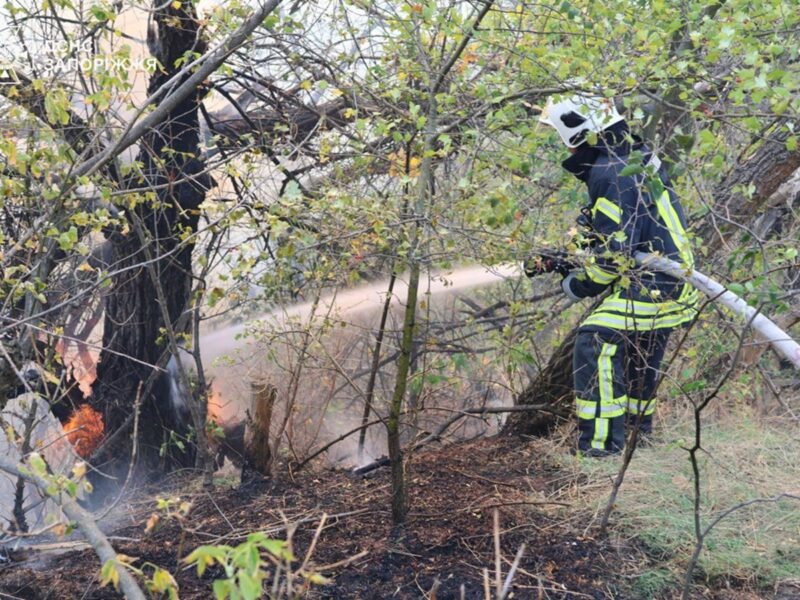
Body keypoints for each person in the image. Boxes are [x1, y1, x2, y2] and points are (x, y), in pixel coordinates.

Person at [529, 93, 698, 457]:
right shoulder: (629, 157)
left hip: (657, 284)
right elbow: (627, 235)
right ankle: (639, 436)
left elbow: (612, 261)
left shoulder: (609, 172)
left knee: (595, 339)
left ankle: (602, 451)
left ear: (579, 133)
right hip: (668, 282)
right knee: (639, 347)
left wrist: (576, 283)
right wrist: (572, 255)